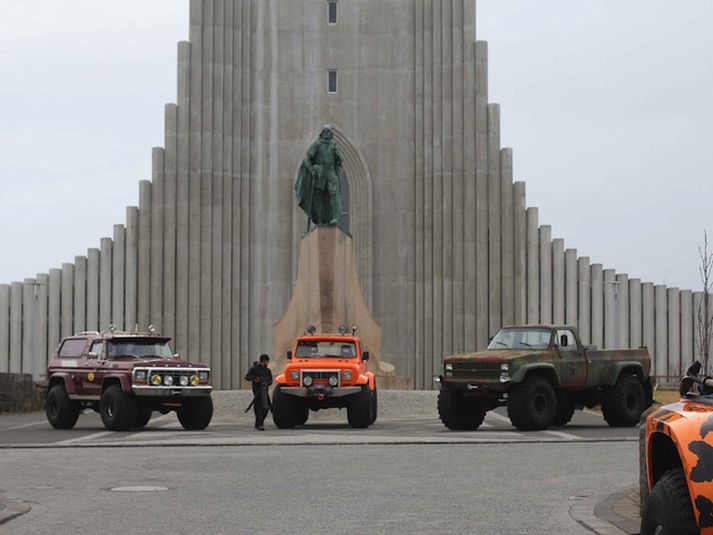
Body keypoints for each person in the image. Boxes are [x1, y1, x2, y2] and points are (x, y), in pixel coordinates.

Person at [294, 126, 344, 229]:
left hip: (330, 171)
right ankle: (320, 220)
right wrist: (311, 169)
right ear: (322, 133)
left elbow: (340, 160)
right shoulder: (317, 144)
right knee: (318, 197)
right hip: (320, 172)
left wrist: (335, 150)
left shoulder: (333, 146)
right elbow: (307, 158)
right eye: (325, 131)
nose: (326, 133)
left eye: (328, 132)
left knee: (334, 194)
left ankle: (335, 218)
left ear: (331, 134)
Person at [244, 354, 273, 430]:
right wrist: (255, 379)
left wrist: (267, 382)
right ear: (264, 361)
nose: (267, 363)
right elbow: (247, 377)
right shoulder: (255, 369)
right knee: (258, 408)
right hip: (257, 391)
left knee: (266, 407)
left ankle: (260, 423)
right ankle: (259, 424)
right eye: (267, 361)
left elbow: (270, 380)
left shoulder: (267, 370)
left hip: (265, 391)